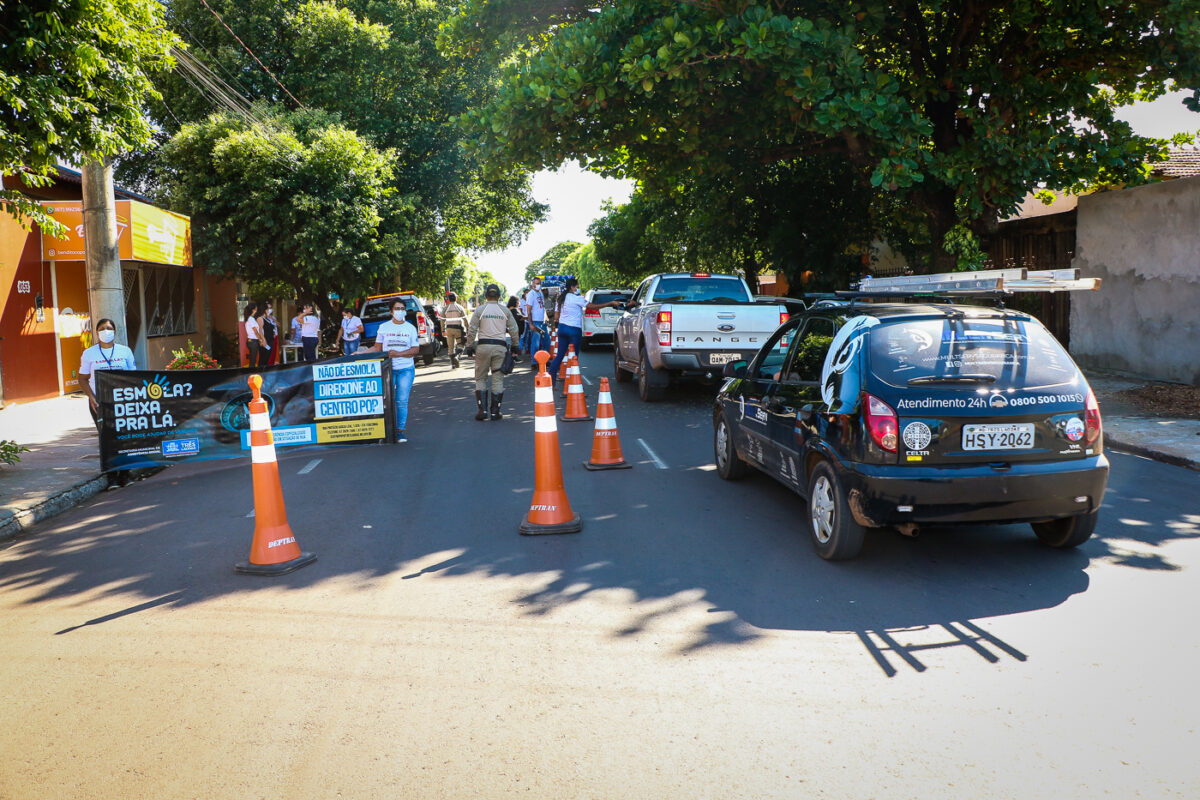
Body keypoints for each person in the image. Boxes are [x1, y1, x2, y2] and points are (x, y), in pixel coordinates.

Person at [78, 318, 137, 487]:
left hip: (123, 401)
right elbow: (82, 379)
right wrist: (91, 397)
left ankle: (125, 475)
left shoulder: (125, 351)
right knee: (106, 439)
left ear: (115, 332)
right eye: (102, 328)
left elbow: (132, 377)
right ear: (96, 333)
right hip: (100, 403)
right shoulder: (89, 354)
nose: (106, 331)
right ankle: (111, 478)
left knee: (124, 437)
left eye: (109, 328)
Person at [548, 277, 621, 384]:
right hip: (574, 330)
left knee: (560, 355)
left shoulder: (560, 299)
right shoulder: (577, 298)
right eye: (577, 286)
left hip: (562, 329)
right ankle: (573, 384)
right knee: (574, 358)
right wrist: (610, 303)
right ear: (572, 287)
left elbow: (556, 317)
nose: (577, 288)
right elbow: (593, 307)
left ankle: (551, 381)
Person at [464, 283, 519, 421]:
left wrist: (469, 347)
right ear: (499, 296)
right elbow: (514, 330)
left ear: (486, 295)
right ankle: (495, 411)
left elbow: (472, 330)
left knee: (481, 378)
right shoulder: (504, 311)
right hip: (500, 348)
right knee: (498, 379)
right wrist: (515, 347)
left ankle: (482, 411)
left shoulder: (480, 310)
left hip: (482, 347)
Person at [369, 297, 419, 443]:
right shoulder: (384, 327)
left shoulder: (410, 328)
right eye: (397, 309)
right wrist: (359, 354)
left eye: (402, 308)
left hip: (405, 369)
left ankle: (400, 431)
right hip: (387, 369)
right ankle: (384, 431)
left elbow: (415, 349)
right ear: (391, 311)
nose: (400, 311)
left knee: (401, 401)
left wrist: (399, 353)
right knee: (385, 400)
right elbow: (377, 348)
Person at [522, 277, 548, 361]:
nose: (538, 285)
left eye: (539, 283)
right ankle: (534, 361)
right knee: (536, 342)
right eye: (537, 283)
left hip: (542, 321)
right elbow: (528, 310)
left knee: (546, 341)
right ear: (533, 285)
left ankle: (544, 360)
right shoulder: (531, 294)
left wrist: (545, 317)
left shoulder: (540, 293)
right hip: (535, 321)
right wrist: (531, 323)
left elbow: (543, 307)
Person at [441, 292, 468, 368]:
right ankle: (457, 356)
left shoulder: (445, 308)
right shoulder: (460, 307)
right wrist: (468, 328)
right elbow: (465, 319)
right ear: (456, 298)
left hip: (448, 329)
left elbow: (442, 320)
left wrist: (443, 330)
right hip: (458, 329)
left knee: (450, 347)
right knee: (461, 345)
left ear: (448, 299)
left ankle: (453, 364)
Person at [243, 302, 269, 367]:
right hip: (253, 341)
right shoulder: (251, 319)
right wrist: (261, 340)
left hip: (252, 341)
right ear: (253, 309)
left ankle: (251, 373)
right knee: (253, 360)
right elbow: (255, 332)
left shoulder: (251, 318)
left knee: (253, 359)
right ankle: (251, 373)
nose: (257, 308)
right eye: (256, 307)